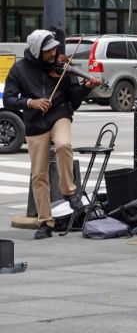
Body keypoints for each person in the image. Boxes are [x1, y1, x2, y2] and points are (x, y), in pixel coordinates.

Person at [3, 29, 103, 239]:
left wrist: (85, 87)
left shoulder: (62, 66)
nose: (54, 53)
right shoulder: (19, 69)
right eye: (49, 50)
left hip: (59, 114)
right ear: (37, 51)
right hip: (34, 123)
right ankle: (45, 222)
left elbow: (73, 101)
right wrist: (30, 102)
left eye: (55, 48)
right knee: (39, 175)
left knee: (64, 145)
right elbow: (9, 100)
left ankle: (68, 190)